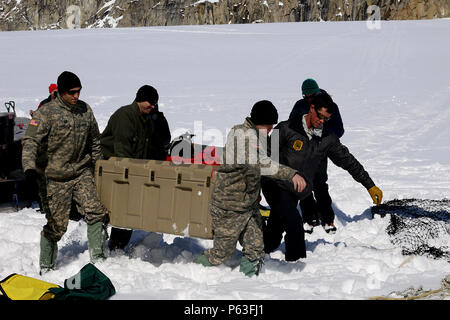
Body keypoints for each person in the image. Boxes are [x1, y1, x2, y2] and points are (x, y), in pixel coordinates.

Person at [262, 91, 383, 262]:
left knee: (275, 230)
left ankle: (258, 250)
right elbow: (265, 158)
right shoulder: (285, 128)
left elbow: (348, 161)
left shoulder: (327, 139)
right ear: (312, 109)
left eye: (326, 119)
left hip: (296, 189)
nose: (322, 121)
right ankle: (294, 266)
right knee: (294, 222)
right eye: (320, 116)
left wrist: (369, 185)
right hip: (274, 184)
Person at [194, 100, 311, 277]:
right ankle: (190, 272)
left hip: (247, 206)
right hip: (229, 207)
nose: (272, 130)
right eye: (270, 125)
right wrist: (291, 174)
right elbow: (261, 165)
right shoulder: (243, 136)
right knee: (221, 254)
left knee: (256, 248)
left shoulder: (255, 135)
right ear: (261, 122)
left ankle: (248, 285)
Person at [22, 71, 110, 274]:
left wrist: (100, 166)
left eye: (78, 92)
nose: (76, 96)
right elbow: (30, 142)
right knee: (57, 226)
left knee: (96, 211)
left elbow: (95, 141)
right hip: (55, 178)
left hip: (81, 172)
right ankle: (47, 267)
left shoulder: (85, 110)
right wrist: (28, 168)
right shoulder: (46, 113)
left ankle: (98, 259)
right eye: (71, 92)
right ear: (61, 92)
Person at [100, 85, 171, 251]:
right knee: (112, 210)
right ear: (140, 99)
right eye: (150, 103)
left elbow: (160, 141)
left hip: (130, 171)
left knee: (127, 212)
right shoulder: (126, 116)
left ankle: (117, 247)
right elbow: (122, 151)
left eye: (155, 104)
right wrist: (132, 177)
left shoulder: (146, 118)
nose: (152, 107)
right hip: (112, 170)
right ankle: (105, 249)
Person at [289, 78, 344, 233]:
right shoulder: (300, 105)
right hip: (302, 152)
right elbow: (292, 124)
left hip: (320, 150)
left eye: (311, 96)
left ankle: (328, 219)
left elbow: (339, 129)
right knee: (303, 183)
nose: (308, 99)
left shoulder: (330, 106)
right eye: (305, 97)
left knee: (320, 184)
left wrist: (323, 137)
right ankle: (309, 218)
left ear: (318, 92)